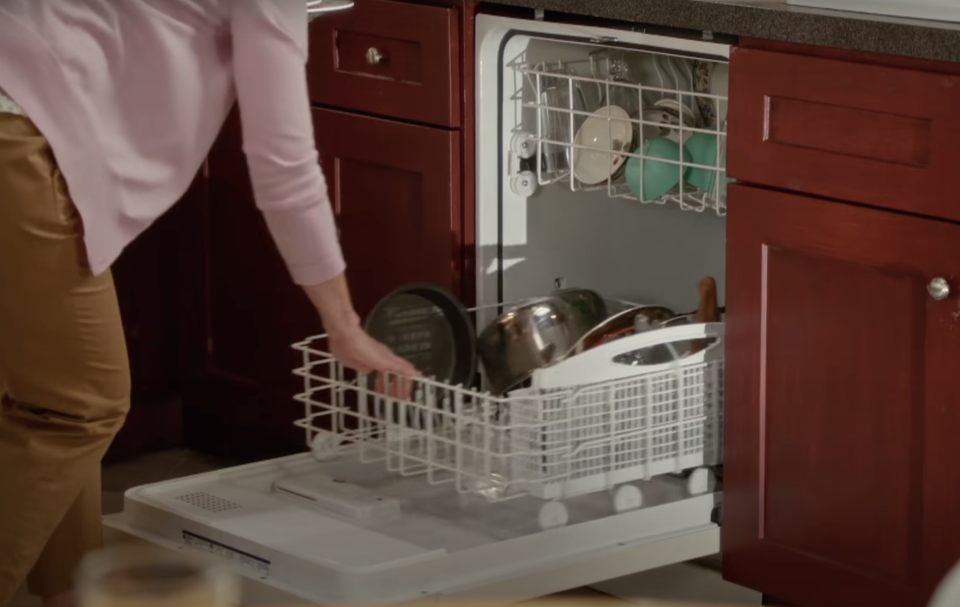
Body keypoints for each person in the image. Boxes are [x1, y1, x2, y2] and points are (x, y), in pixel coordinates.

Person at [0, 2, 419, 606]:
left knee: (36, 398)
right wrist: (342, 323)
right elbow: (283, 163)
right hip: (21, 128)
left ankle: (73, 592)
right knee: (77, 406)